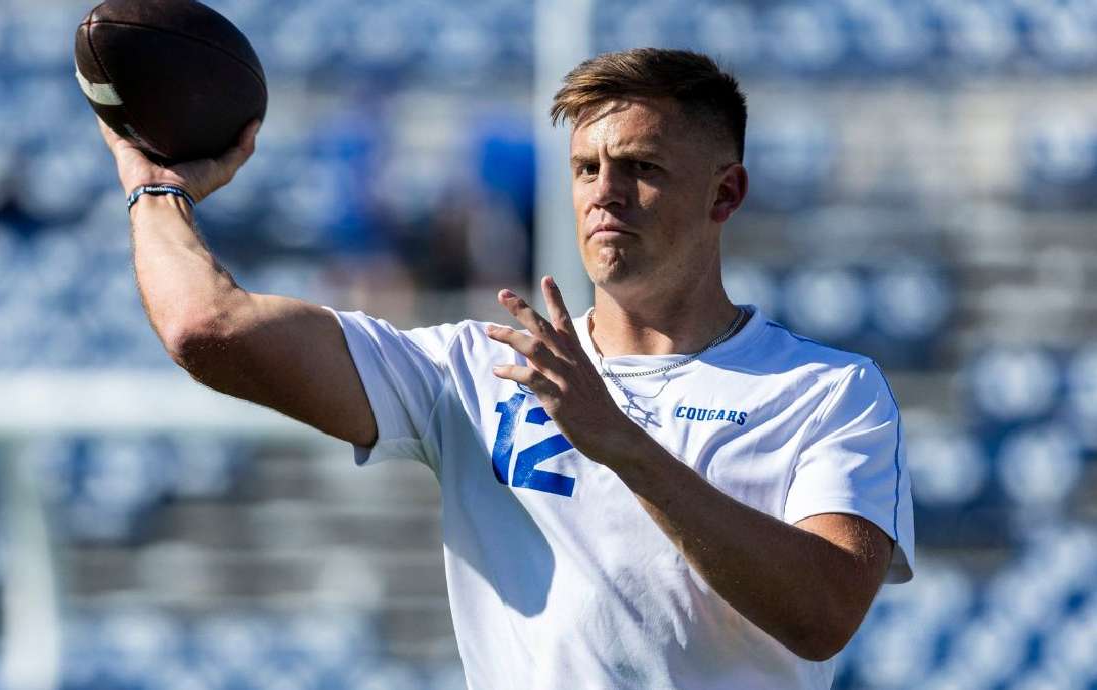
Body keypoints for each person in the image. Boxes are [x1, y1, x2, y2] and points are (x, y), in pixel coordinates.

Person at [98, 47, 913, 690]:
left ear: (725, 194)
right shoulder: (474, 370)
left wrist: (621, 444)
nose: (605, 192)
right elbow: (207, 327)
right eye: (587, 167)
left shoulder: (827, 392)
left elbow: (822, 613)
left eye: (643, 167)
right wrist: (154, 187)